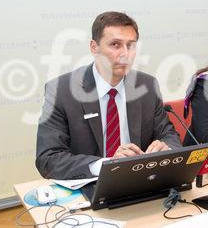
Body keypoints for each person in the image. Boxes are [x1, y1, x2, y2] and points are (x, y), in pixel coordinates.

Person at [36, 12, 181, 180]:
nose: (125, 54)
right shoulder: (61, 91)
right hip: (91, 185)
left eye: (131, 45)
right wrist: (106, 165)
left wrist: (166, 150)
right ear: (94, 47)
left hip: (140, 182)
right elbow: (48, 158)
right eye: (115, 44)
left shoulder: (147, 86)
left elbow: (170, 136)